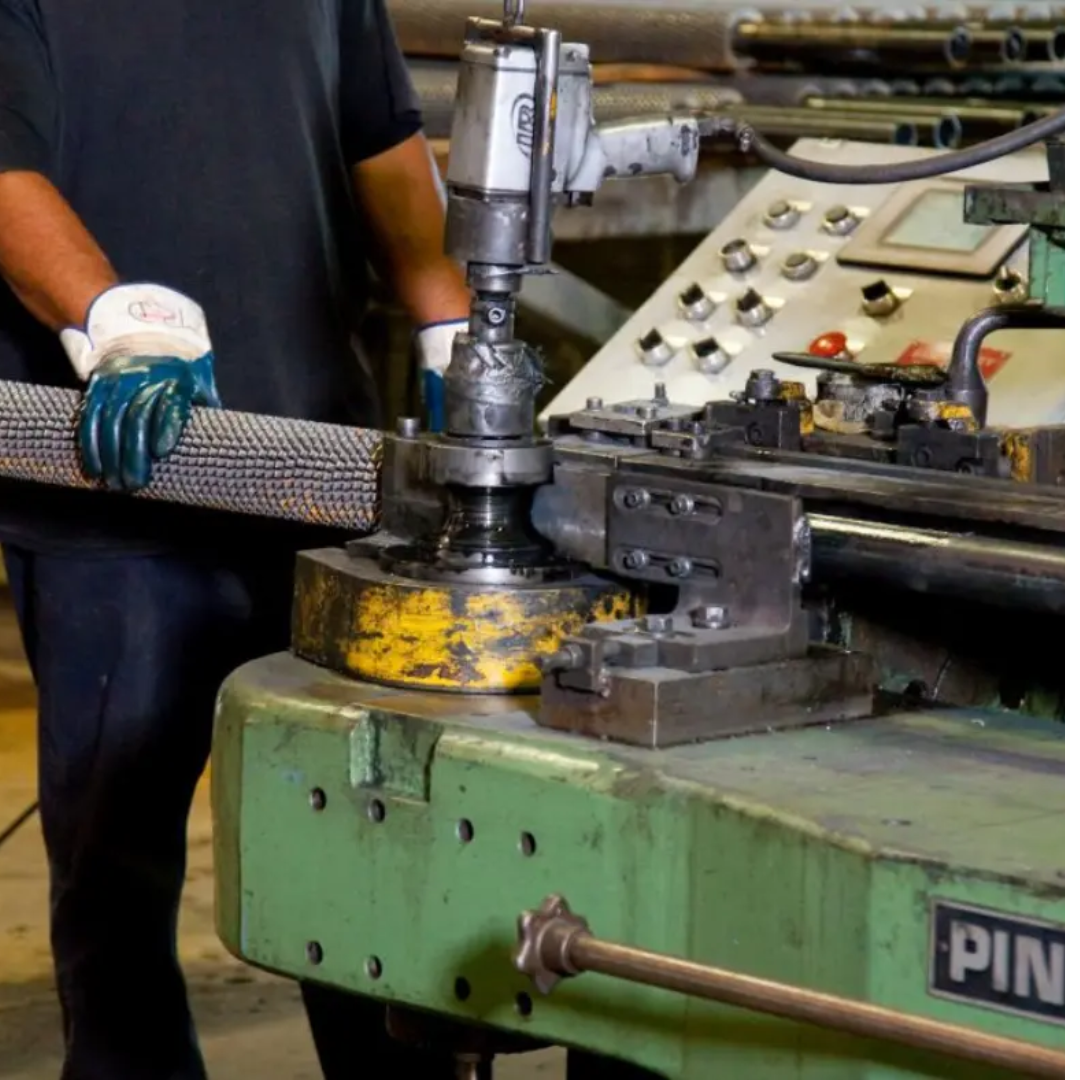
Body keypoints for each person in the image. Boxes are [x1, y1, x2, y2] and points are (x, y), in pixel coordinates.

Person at [0, 1, 474, 1077]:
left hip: (320, 485)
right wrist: (116, 321)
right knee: (117, 873)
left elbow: (384, 147)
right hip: (117, 494)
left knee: (366, 842)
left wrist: (451, 323)